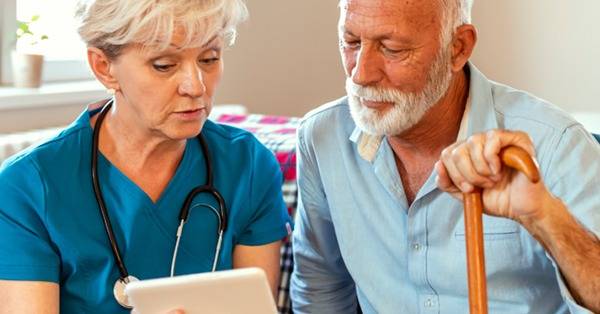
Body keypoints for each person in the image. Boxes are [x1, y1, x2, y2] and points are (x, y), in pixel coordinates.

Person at [290, 0, 600, 313]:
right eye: (351, 42)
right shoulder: (322, 137)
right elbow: (320, 293)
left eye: (393, 49)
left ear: (458, 48)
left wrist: (543, 216)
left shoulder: (556, 143)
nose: (361, 74)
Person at [0, 0, 291, 312]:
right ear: (103, 67)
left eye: (209, 59)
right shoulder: (27, 187)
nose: (196, 86)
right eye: (164, 65)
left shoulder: (247, 164)